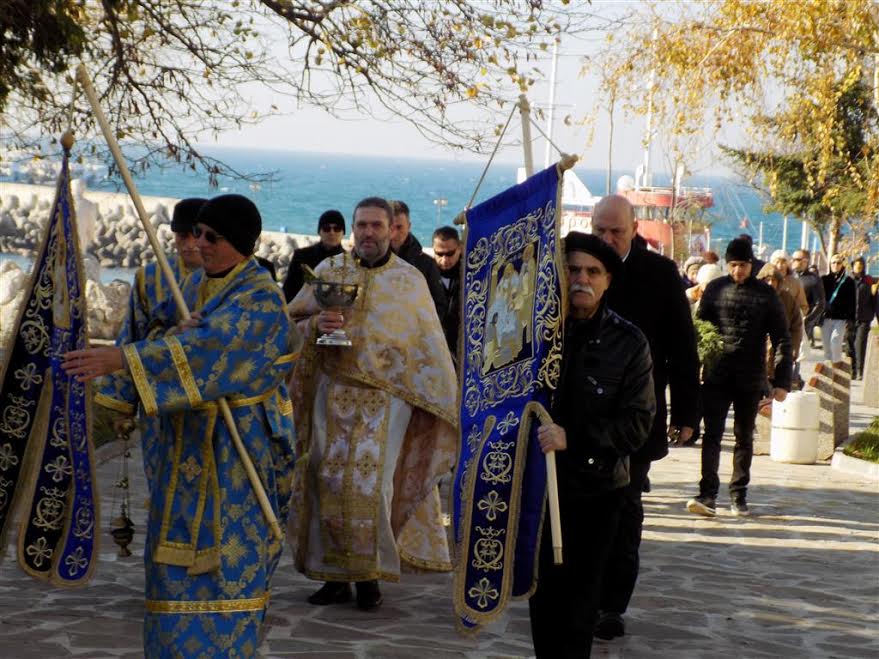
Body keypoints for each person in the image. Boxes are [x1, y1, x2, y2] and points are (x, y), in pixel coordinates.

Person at [62, 194, 298, 656]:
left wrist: (121, 358)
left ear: (241, 242)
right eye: (195, 234)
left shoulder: (261, 299)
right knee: (170, 581)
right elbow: (162, 333)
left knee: (227, 572)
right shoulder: (190, 288)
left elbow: (213, 350)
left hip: (235, 455)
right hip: (183, 453)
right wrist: (158, 345)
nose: (199, 244)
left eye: (212, 237)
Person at [287, 196, 457, 611]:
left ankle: (369, 577)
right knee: (324, 480)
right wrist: (314, 325)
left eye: (376, 226)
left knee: (373, 486)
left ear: (392, 229)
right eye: (361, 225)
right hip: (332, 392)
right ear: (352, 229)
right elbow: (288, 321)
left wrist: (440, 398)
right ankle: (332, 577)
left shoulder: (410, 280)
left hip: (386, 401)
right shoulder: (329, 272)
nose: (368, 233)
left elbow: (427, 345)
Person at [529, 232, 655, 659]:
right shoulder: (535, 334)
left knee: (580, 607)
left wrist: (575, 439)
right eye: (572, 269)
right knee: (542, 601)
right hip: (539, 491)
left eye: (592, 271)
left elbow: (638, 425)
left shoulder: (630, 343)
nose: (580, 278)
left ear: (606, 282)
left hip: (596, 492)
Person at [590, 194, 700, 640]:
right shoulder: (571, 264)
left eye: (616, 231)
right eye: (600, 230)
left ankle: (612, 606)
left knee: (624, 510)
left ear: (635, 229)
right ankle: (580, 595)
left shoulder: (659, 274)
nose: (607, 239)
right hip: (577, 416)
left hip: (636, 416)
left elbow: (681, 346)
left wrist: (687, 411)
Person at [687, 237, 792, 518]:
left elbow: (782, 337)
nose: (738, 271)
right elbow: (699, 329)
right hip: (717, 374)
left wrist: (782, 381)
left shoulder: (766, 294)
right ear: (726, 264)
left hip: (750, 377)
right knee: (712, 435)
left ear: (751, 264)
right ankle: (707, 492)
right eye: (733, 265)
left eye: (743, 266)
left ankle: (738, 494)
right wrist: (697, 362)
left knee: (744, 437)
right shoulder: (715, 290)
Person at [117, 197, 206, 484]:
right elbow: (132, 335)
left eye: (196, 235)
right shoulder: (150, 277)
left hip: (207, 397)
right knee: (160, 477)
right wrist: (122, 404)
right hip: (157, 393)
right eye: (182, 236)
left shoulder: (225, 279)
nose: (189, 244)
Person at [389, 200, 447, 318]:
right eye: (390, 227)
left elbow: (439, 305)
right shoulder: (372, 259)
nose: (394, 233)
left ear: (409, 226)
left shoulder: (426, 264)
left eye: (399, 227)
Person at [282, 209, 347, 302]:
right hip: (301, 312)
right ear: (319, 231)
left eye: (337, 229)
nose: (332, 232)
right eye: (326, 228)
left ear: (343, 232)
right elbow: (288, 292)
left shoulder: (349, 261)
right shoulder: (301, 256)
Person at [757, 263, 803, 370]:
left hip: (780, 349)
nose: (770, 283)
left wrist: (794, 348)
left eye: (774, 280)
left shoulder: (787, 299)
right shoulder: (753, 297)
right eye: (768, 279)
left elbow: (796, 326)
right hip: (757, 352)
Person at [432, 225, 462, 363]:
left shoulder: (471, 273)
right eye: (439, 254)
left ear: (460, 248)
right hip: (435, 347)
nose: (444, 260)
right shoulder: (425, 275)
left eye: (450, 254)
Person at [821, 254, 856, 363]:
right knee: (827, 346)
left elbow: (853, 301)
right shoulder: (824, 279)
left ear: (842, 264)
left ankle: (837, 366)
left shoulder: (849, 281)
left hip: (840, 318)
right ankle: (828, 370)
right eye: (833, 262)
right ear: (830, 264)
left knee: (835, 342)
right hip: (826, 318)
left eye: (838, 262)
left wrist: (851, 319)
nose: (836, 265)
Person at [791, 248, 826, 349]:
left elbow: (820, 304)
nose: (792, 261)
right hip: (786, 319)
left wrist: (808, 320)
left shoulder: (814, 279)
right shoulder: (789, 276)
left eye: (796, 259)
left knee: (797, 352)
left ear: (805, 261)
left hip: (802, 322)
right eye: (792, 258)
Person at [848, 257, 876, 380]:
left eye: (861, 265)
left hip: (864, 318)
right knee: (849, 345)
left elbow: (875, 300)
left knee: (859, 344)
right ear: (852, 266)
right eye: (856, 265)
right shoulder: (847, 280)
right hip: (849, 319)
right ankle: (852, 370)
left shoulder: (869, 281)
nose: (859, 267)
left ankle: (860, 371)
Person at [769, 250, 808, 317]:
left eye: (783, 262)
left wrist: (794, 319)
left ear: (788, 264)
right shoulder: (767, 281)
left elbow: (804, 306)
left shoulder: (795, 283)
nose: (780, 266)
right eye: (777, 262)